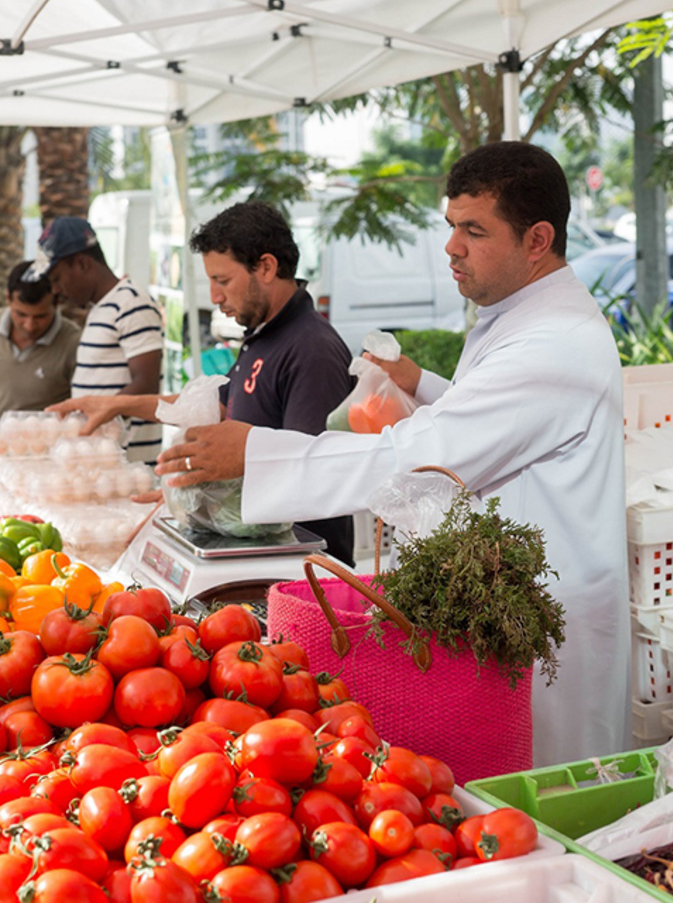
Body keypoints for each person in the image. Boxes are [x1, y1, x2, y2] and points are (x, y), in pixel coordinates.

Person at [155, 142, 631, 768]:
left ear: (537, 239)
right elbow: (492, 415)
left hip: (548, 617)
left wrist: (258, 454)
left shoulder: (556, 340)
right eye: (450, 226)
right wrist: (420, 384)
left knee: (548, 798)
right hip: (511, 593)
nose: (451, 247)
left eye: (473, 230)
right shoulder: (523, 315)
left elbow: (419, 458)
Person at [49, 201, 356, 565]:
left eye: (222, 280)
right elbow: (216, 405)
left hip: (306, 568)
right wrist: (118, 405)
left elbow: (312, 468)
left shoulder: (310, 348)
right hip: (258, 553)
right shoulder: (263, 334)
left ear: (267, 267)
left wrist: (204, 494)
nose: (214, 297)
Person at [27, 217, 164, 464]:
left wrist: (99, 412)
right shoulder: (104, 307)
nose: (55, 289)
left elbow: (146, 383)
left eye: (57, 278)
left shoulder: (131, 303)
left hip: (129, 464)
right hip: (102, 460)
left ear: (81, 263)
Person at [0, 260, 81, 415]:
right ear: (9, 298)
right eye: (21, 314)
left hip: (45, 437)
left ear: (56, 303)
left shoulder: (75, 344)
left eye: (40, 316)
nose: (29, 326)